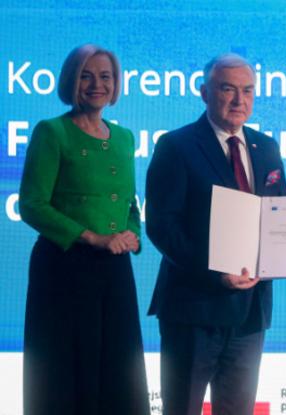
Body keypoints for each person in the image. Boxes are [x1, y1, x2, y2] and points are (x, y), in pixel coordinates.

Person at [145, 53, 286, 415]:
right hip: (193, 311)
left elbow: (279, 216)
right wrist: (215, 272)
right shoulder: (176, 146)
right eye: (227, 89)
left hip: (250, 314)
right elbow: (162, 226)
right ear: (205, 93)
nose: (238, 100)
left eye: (247, 91)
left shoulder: (267, 148)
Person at [18, 44, 149, 415]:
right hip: (64, 269)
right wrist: (92, 237)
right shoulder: (52, 131)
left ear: (116, 83)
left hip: (114, 270)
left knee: (118, 374)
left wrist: (132, 234)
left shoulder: (124, 137)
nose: (97, 85)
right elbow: (32, 204)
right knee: (65, 375)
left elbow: (130, 203)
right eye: (86, 76)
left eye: (105, 76)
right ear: (70, 81)